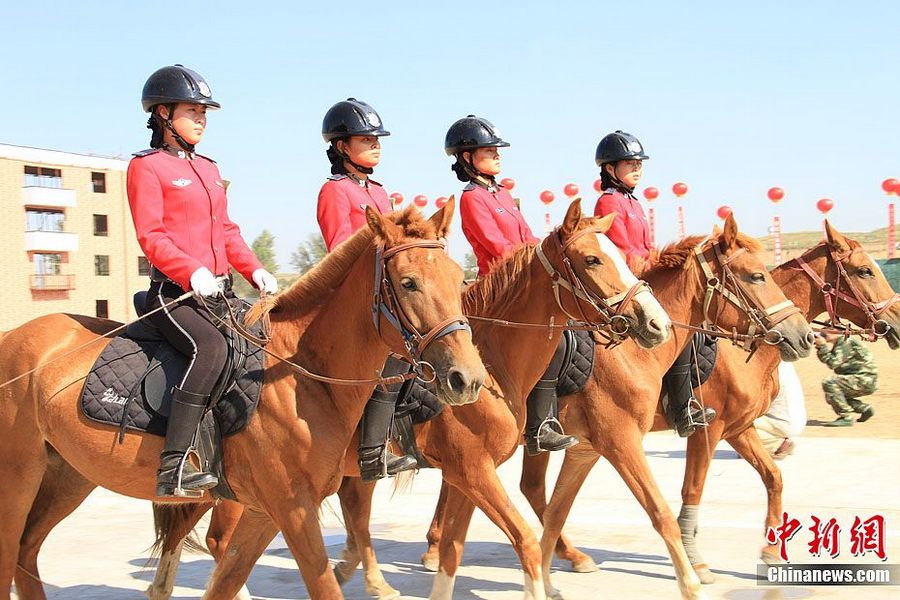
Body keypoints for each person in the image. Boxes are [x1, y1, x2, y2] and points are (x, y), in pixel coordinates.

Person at [128, 65, 278, 497]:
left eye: (204, 112)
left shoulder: (209, 169)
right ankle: (175, 463)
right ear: (162, 114)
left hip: (219, 293)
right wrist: (190, 270)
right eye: (192, 110)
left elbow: (226, 230)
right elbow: (151, 235)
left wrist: (254, 268)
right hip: (172, 295)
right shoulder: (147, 168)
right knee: (211, 349)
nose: (201, 118)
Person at [446, 115, 578, 455]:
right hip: (499, 292)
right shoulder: (472, 197)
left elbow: (526, 237)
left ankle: (542, 422)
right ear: (466, 158)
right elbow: (497, 247)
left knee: (559, 341)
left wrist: (548, 253)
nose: (497, 155)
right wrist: (532, 261)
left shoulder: (502, 193)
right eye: (488, 150)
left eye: (496, 150)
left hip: (526, 284)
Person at [316, 98, 418, 482]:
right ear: (342, 146)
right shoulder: (334, 192)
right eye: (366, 138)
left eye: (377, 138)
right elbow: (341, 249)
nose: (376, 144)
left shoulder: (379, 191)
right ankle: (372, 452)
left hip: (383, 294)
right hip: (354, 299)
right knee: (392, 356)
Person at [593, 130, 716, 437]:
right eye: (630, 163)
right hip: (629, 283)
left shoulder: (632, 202)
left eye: (639, 163)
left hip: (647, 278)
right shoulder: (608, 202)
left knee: (684, 328)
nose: (638, 168)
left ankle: (682, 403)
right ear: (610, 169)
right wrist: (653, 266)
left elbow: (646, 246)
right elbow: (622, 250)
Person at [816, 332, 878, 426]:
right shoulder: (841, 343)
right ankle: (863, 408)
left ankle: (846, 417)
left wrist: (823, 347)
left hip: (864, 379)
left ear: (837, 331)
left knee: (829, 383)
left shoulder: (845, 342)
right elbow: (831, 361)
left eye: (826, 333)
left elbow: (833, 363)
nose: (823, 335)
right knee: (833, 396)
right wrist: (820, 347)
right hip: (864, 379)